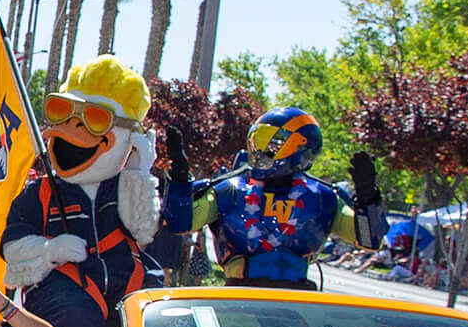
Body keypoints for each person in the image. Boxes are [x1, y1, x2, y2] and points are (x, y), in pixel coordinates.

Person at [0, 57, 161, 327]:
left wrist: (138, 171)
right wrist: (49, 249)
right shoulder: (41, 192)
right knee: (75, 320)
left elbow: (142, 231)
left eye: (95, 120)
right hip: (62, 296)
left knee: (162, 324)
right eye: (63, 113)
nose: (72, 130)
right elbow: (10, 248)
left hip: (129, 293)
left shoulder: (126, 186)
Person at [159, 106, 386, 290]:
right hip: (237, 297)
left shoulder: (323, 196)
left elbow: (369, 240)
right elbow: (180, 223)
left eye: (273, 143)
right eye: (258, 141)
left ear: (301, 146)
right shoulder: (229, 189)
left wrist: (368, 199)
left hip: (296, 302)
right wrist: (179, 178)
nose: (260, 150)